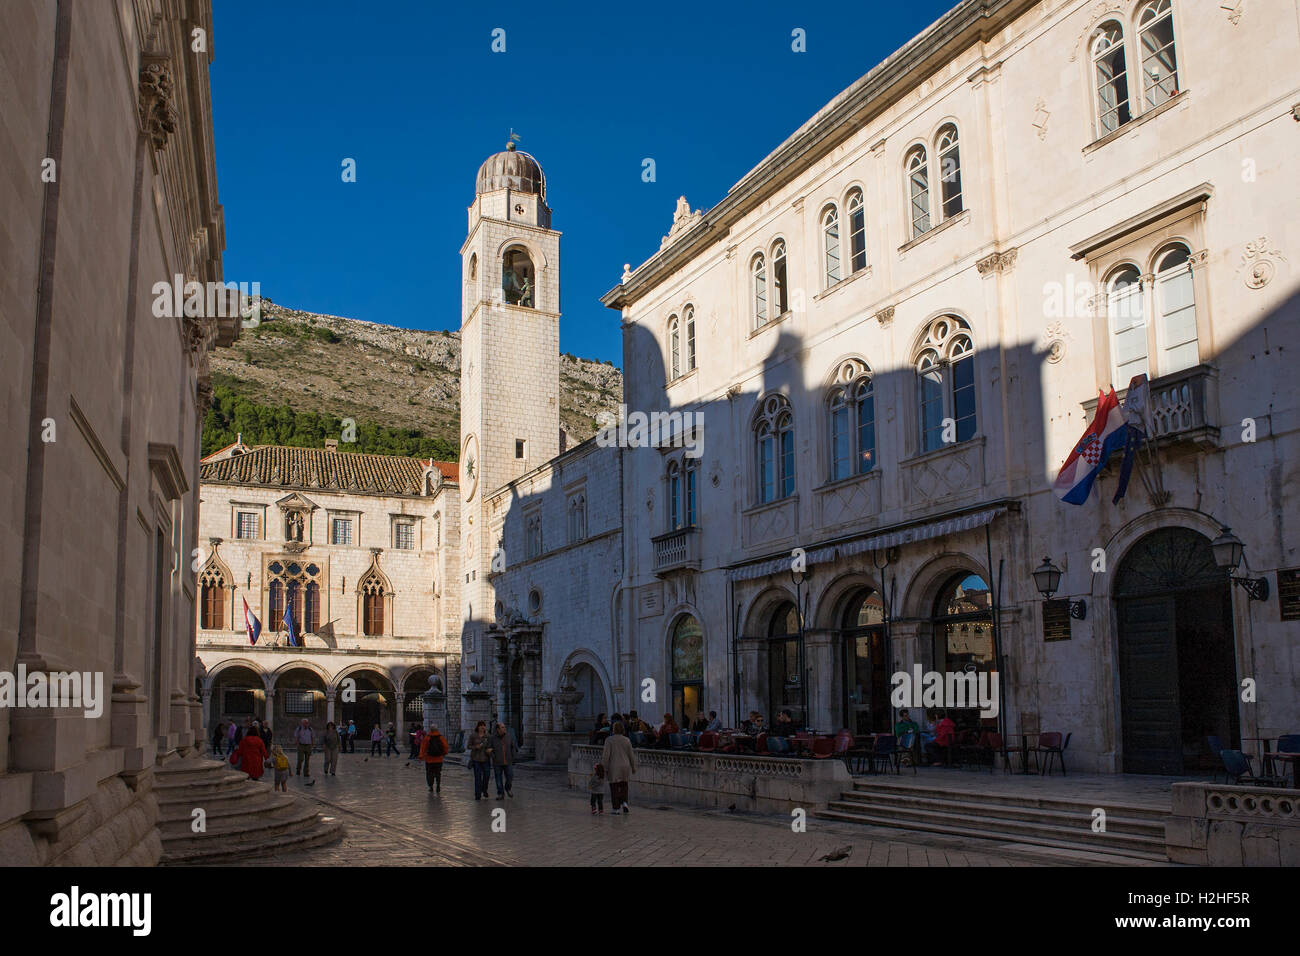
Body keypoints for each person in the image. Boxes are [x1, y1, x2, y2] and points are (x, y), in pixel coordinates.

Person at [600, 721, 637, 814]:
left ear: (613, 729)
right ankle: (625, 803)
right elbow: (631, 755)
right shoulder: (627, 740)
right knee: (624, 785)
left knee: (614, 787)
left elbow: (606, 756)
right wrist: (633, 767)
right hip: (625, 765)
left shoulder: (609, 740)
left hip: (614, 765)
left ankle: (616, 808)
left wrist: (603, 767)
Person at [489, 721, 518, 798]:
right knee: (498, 779)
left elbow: (513, 747)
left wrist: (513, 756)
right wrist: (493, 756)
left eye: (504, 727)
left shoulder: (509, 736)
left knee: (510, 776)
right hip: (497, 762)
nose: (504, 728)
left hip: (508, 761)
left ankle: (508, 788)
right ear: (498, 729)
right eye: (502, 727)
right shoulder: (492, 738)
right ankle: (500, 793)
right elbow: (489, 749)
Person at [419, 722, 449, 793]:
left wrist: (421, 756)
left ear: (430, 729)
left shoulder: (427, 738)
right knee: (438, 773)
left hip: (429, 759)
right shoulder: (441, 737)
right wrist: (444, 753)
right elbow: (446, 746)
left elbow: (423, 748)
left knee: (430, 773)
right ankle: (438, 785)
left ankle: (431, 786)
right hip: (439, 759)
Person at [468, 721, 492, 800]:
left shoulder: (488, 736)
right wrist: (475, 747)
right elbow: (468, 746)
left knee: (486, 776)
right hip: (476, 759)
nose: (482, 727)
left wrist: (490, 750)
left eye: (484, 726)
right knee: (478, 777)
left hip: (485, 759)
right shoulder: (473, 735)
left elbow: (491, 746)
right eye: (481, 726)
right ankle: (477, 794)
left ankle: (484, 790)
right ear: (478, 727)